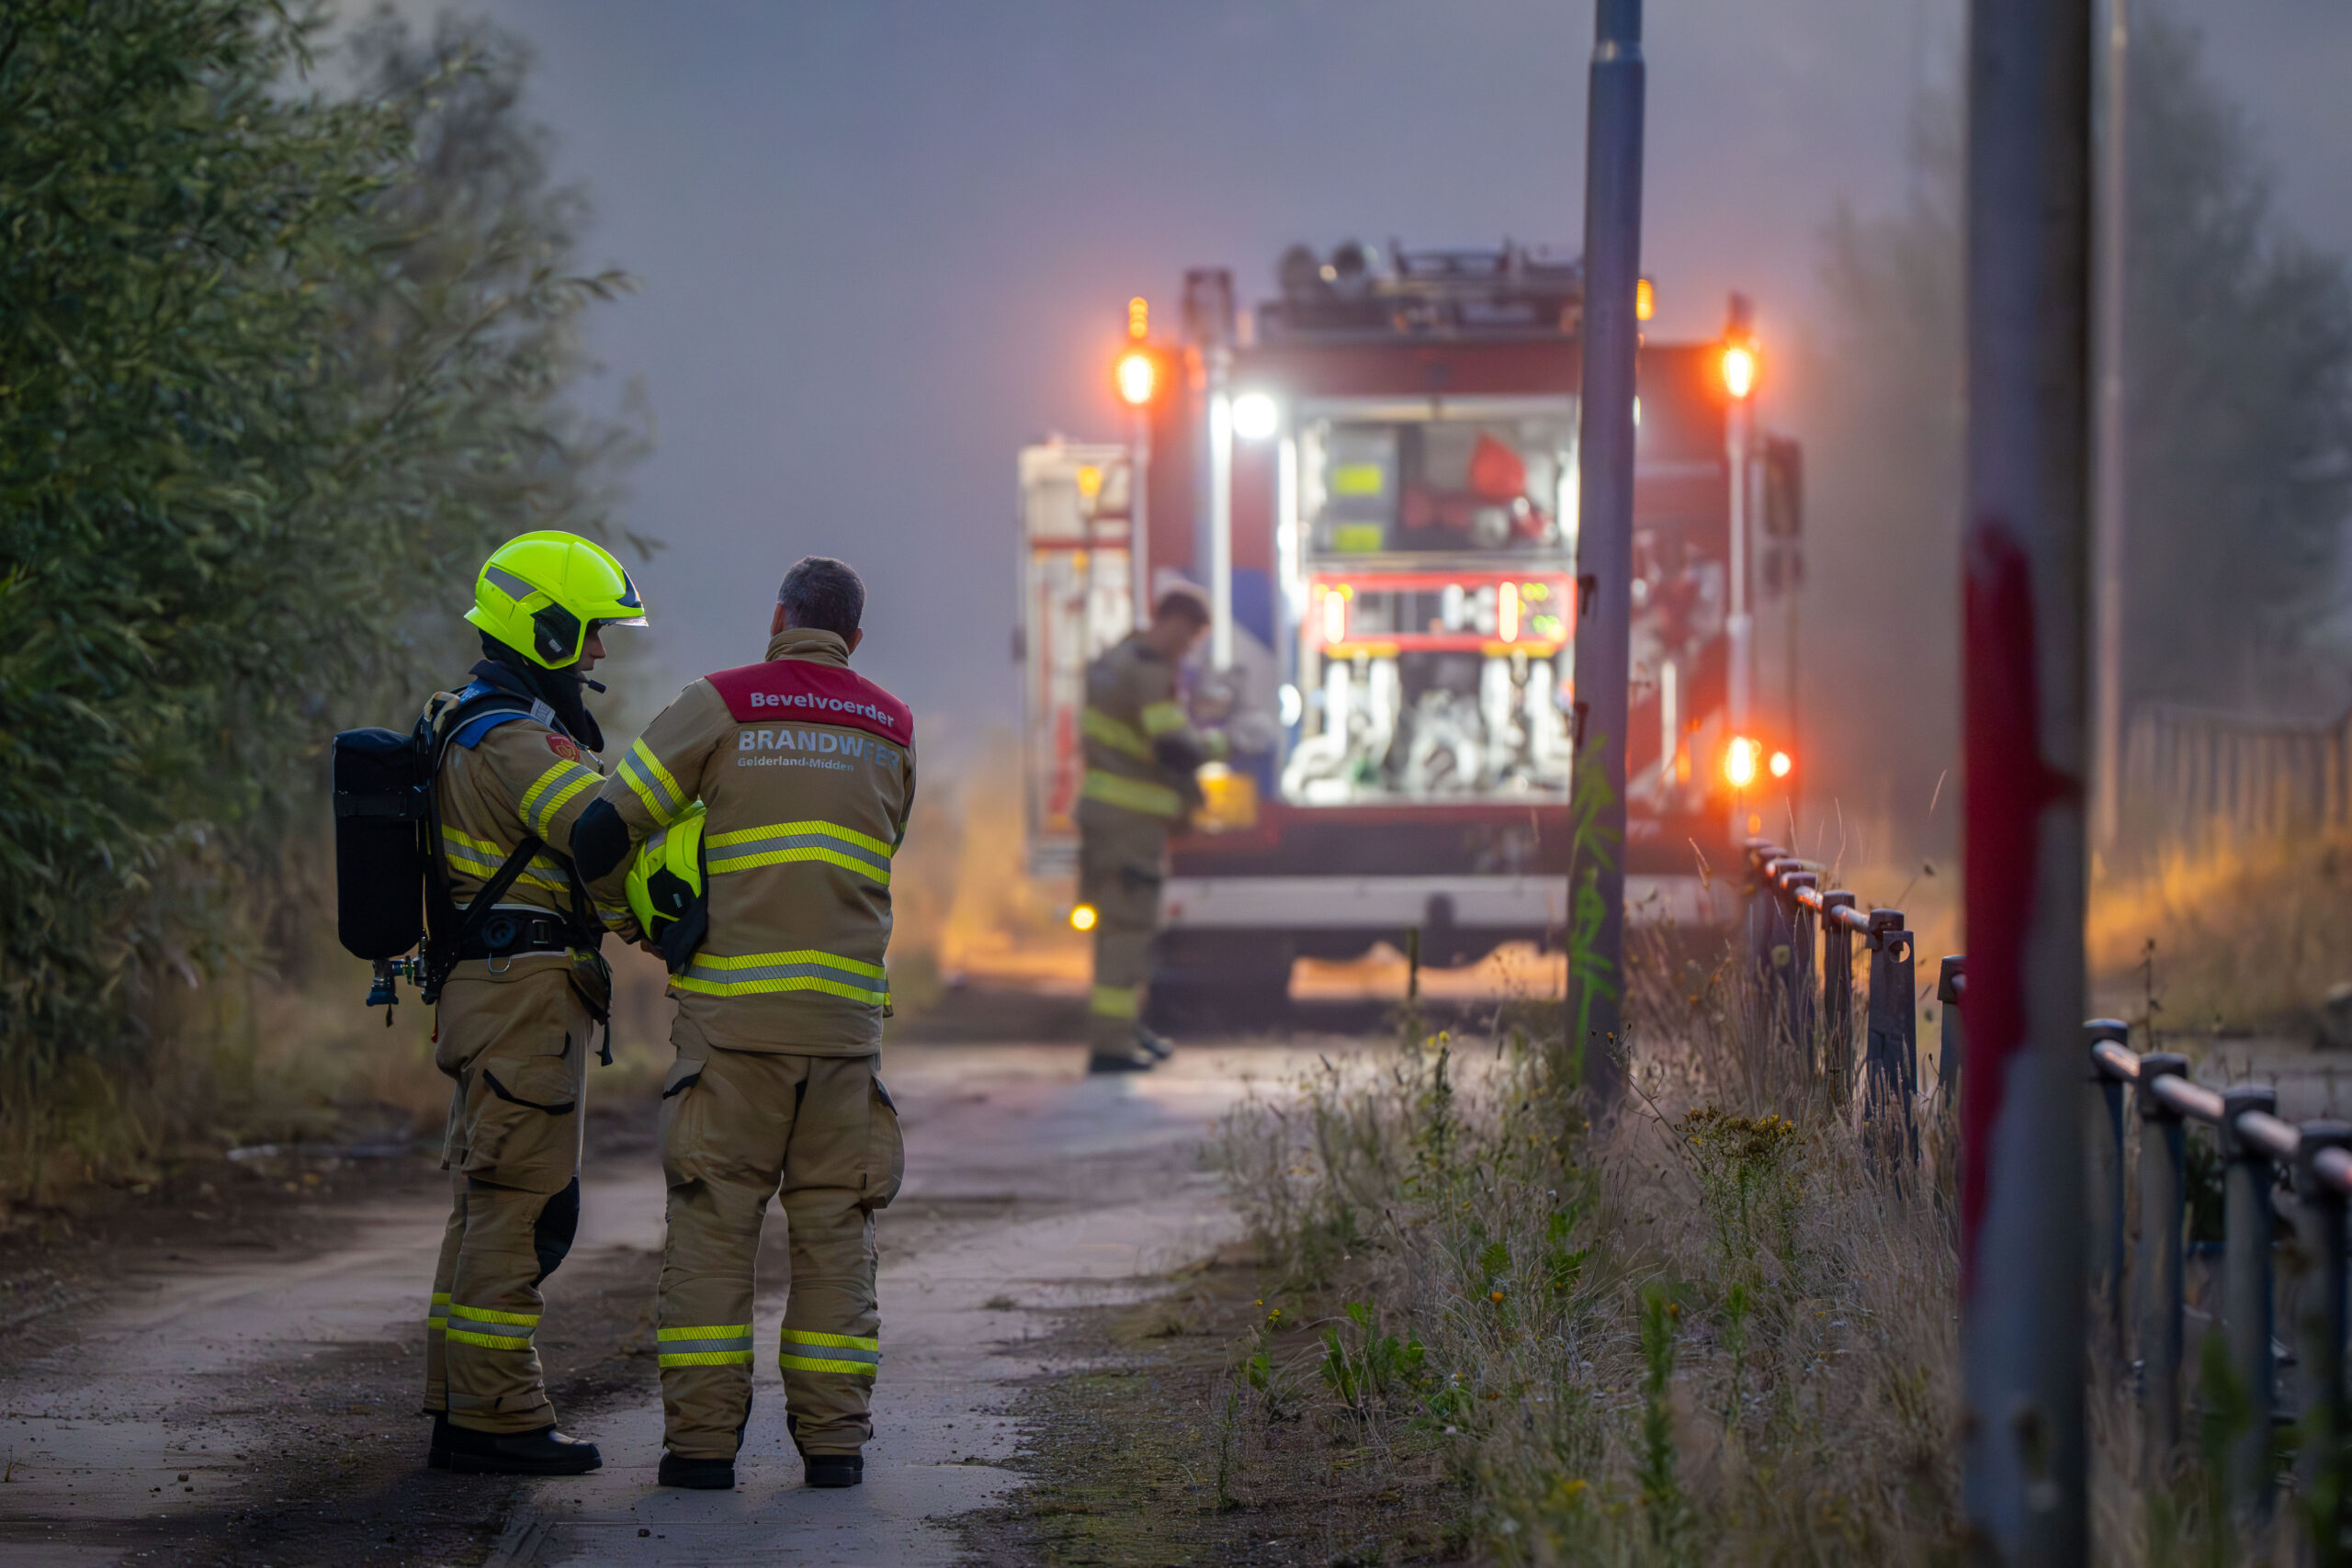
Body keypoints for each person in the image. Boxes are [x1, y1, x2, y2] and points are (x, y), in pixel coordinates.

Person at [572, 556, 912, 1493]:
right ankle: (835, 1448)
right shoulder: (893, 726)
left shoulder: (719, 704)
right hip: (844, 1036)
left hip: (731, 1034)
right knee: (836, 1235)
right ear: (854, 637)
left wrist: (637, 921)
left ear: (777, 618)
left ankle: (702, 1451)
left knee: (715, 1232)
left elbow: (600, 831)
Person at [422, 531, 646, 1475]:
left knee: (488, 1204)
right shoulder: (515, 737)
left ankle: (461, 1404)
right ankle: (497, 1417)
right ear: (544, 631)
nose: (598, 652)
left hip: (492, 990)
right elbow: (596, 830)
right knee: (525, 1206)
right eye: (589, 632)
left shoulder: (469, 720)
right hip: (523, 997)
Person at [1076, 581, 1223, 1073]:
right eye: (1190, 639)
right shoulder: (1146, 668)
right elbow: (1174, 746)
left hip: (1110, 818)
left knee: (1118, 928)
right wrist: (1229, 742)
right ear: (1176, 622)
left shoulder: (1117, 660)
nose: (1187, 650)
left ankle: (1124, 1029)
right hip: (1129, 823)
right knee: (1128, 929)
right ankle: (1112, 1045)